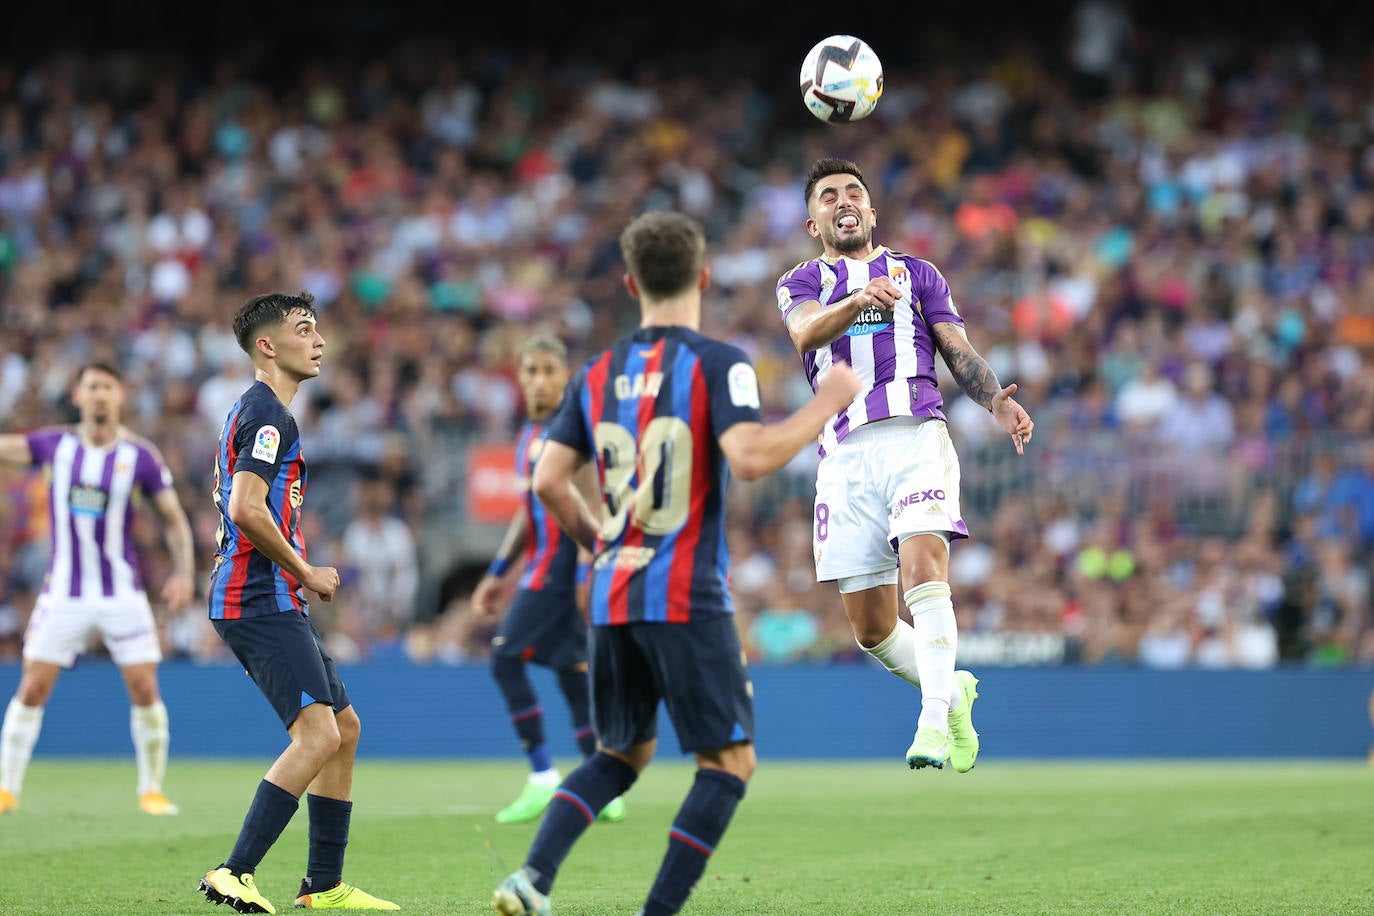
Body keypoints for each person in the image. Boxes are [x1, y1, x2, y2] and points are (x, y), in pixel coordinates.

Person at [492, 211, 862, 916]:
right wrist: (828, 401)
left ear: (631, 283)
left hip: (613, 592)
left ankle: (532, 879)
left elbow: (546, 480)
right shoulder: (719, 362)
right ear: (704, 276)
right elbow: (750, 459)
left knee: (619, 755)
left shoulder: (597, 371)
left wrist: (600, 541)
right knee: (729, 764)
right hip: (685, 592)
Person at [775, 158, 1035, 771]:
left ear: (871, 210)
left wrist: (994, 397)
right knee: (870, 628)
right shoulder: (799, 282)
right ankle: (953, 694)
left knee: (924, 567)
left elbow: (956, 348)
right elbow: (805, 335)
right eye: (829, 195)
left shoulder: (918, 274)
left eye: (854, 192)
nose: (843, 201)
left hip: (916, 436)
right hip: (842, 457)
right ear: (813, 221)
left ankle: (930, 726)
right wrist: (859, 299)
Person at [198, 291, 396, 914]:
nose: (319, 341)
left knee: (344, 727)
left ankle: (323, 884)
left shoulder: (260, 412)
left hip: (266, 594)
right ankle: (235, 871)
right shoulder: (267, 415)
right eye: (304, 329)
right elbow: (247, 507)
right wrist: (306, 570)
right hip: (258, 596)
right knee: (315, 735)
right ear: (267, 345)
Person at [0, 362, 194, 816]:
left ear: (120, 395)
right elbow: (7, 447)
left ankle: (152, 789)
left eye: (108, 386)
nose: (101, 395)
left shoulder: (140, 456)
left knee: (145, 686)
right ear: (77, 395)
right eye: (93, 387)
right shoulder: (56, 446)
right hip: (64, 592)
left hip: (121, 594)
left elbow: (174, 519)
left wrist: (184, 572)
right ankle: (6, 788)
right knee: (32, 687)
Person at [470, 335, 625, 825]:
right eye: (530, 370)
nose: (539, 380)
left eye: (548, 371)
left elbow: (593, 504)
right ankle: (605, 786)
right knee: (569, 672)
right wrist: (497, 571)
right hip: (542, 567)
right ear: (519, 377)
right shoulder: (530, 434)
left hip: (563, 571)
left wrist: (587, 571)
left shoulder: (573, 429)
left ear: (565, 376)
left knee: (504, 657)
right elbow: (528, 511)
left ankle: (542, 775)